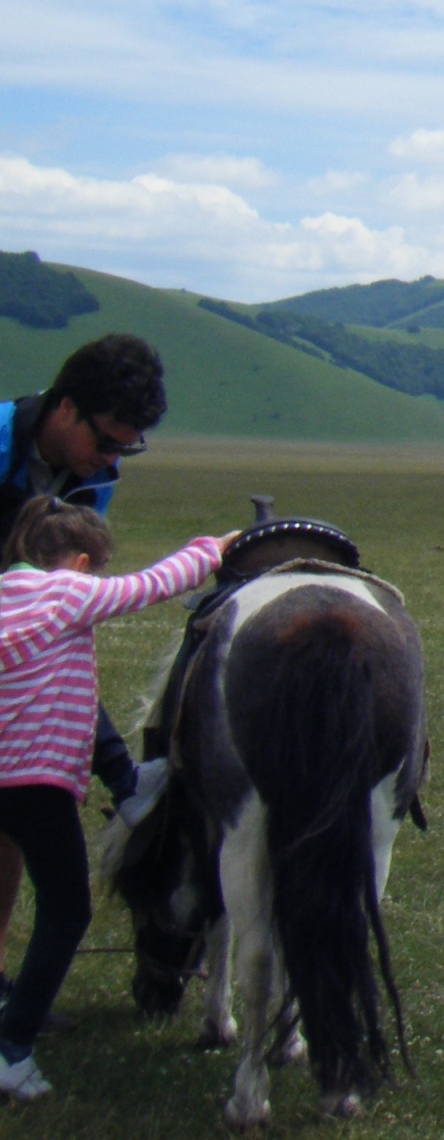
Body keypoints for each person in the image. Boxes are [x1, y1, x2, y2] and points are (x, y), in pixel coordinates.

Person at [0, 499, 228, 1102]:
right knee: (66, 911)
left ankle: (129, 785)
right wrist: (214, 549)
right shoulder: (68, 595)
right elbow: (151, 585)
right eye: (95, 570)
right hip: (35, 785)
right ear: (78, 563)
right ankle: (12, 1049)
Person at [0, 336, 167, 1000]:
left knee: (12, 818)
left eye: (124, 449)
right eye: (105, 441)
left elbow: (70, 594)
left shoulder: (95, 476)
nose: (109, 459)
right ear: (64, 408)